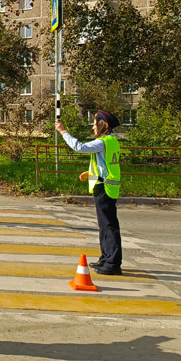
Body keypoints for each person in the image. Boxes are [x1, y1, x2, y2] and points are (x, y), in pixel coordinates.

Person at [56, 110, 122, 275]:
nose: (93, 127)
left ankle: (113, 263)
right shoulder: (111, 141)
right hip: (105, 185)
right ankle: (106, 258)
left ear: (104, 125)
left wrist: (63, 131)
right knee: (104, 225)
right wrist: (90, 173)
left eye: (94, 124)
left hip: (105, 187)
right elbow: (105, 164)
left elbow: (80, 147)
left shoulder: (103, 141)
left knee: (108, 226)